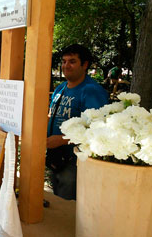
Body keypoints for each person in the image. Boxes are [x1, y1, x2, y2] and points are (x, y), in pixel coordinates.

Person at [46, 44, 109, 200]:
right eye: (64, 61)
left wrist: (60, 140)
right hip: (56, 158)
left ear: (85, 64)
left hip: (76, 163)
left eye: (72, 61)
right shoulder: (60, 89)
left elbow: (97, 129)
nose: (66, 66)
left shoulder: (91, 91)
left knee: (67, 208)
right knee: (57, 202)